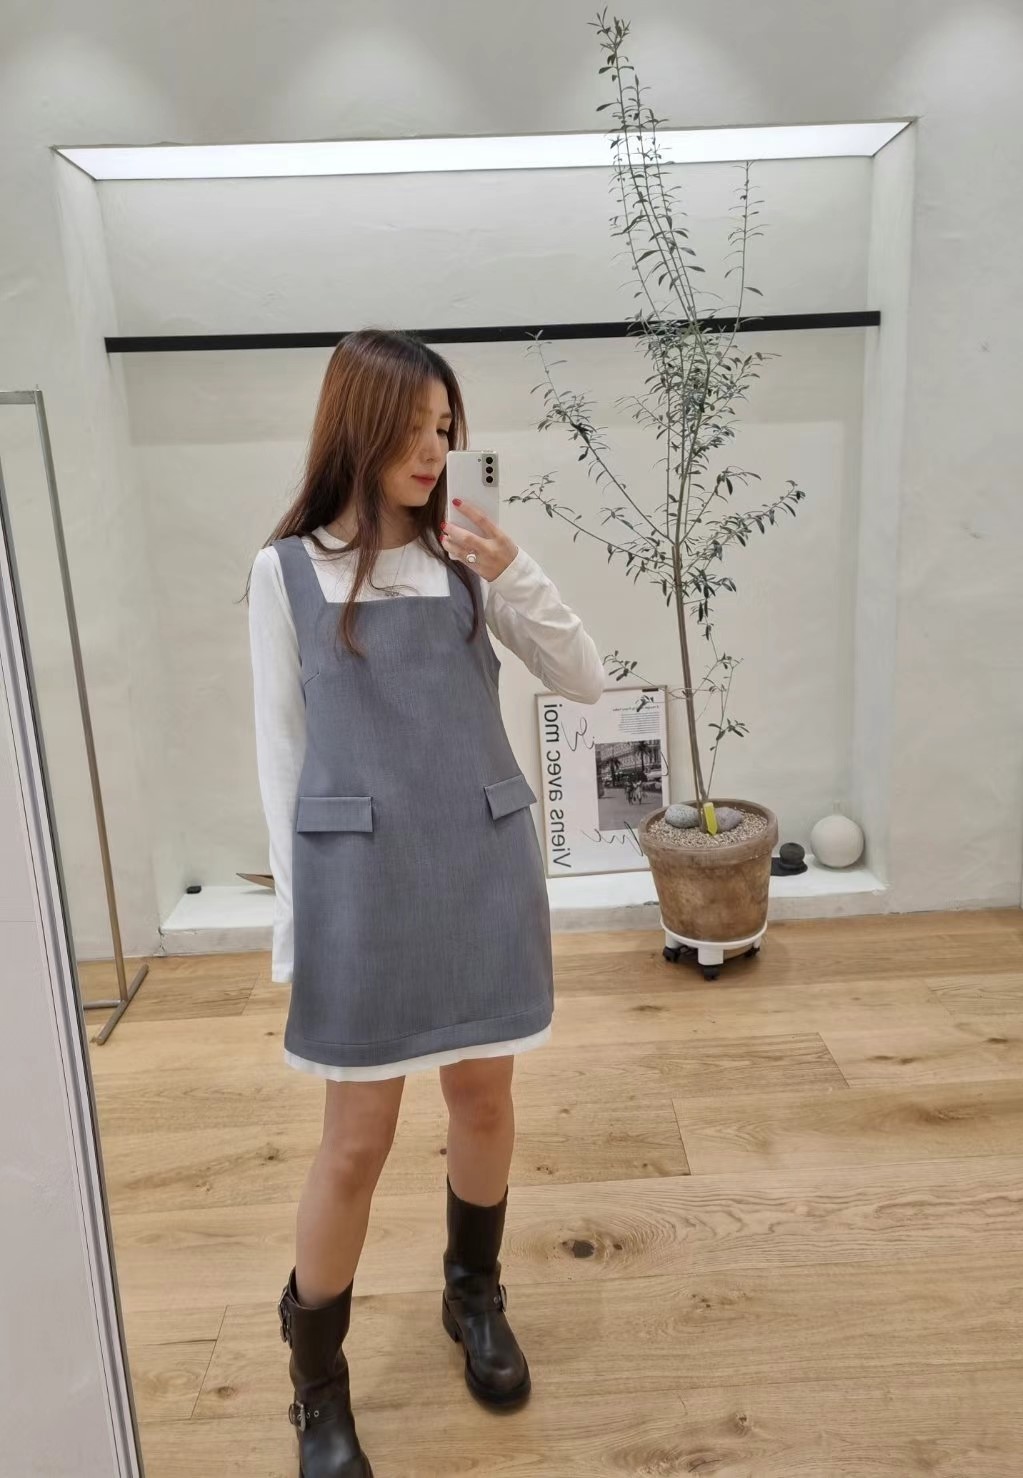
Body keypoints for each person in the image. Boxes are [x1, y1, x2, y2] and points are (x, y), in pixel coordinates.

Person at [247, 329, 605, 1477]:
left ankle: (473, 1294)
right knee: (355, 1140)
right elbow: (281, 761)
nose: (434, 449)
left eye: (446, 428)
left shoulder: (467, 560)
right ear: (357, 426)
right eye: (412, 427)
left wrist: (514, 568)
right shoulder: (285, 572)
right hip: (361, 889)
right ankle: (317, 1387)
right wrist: (299, 928)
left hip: (479, 863)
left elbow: (586, 676)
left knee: (484, 1097)